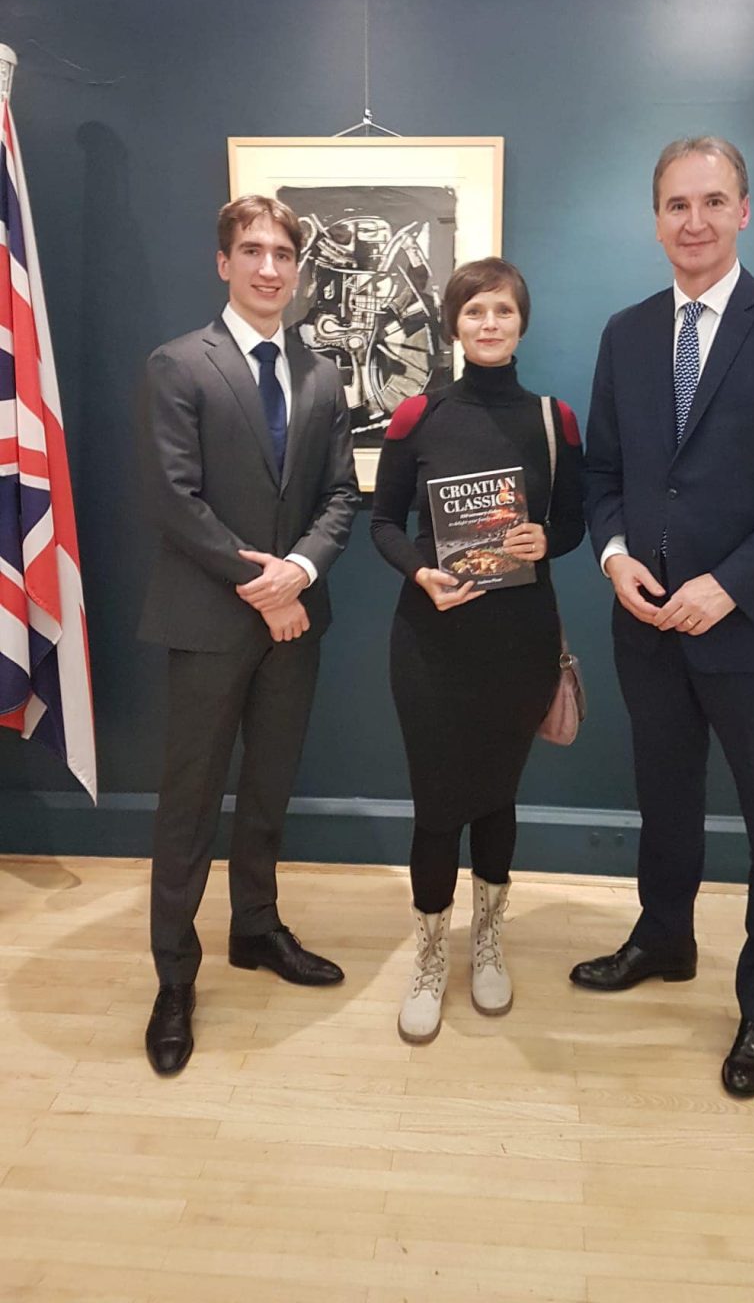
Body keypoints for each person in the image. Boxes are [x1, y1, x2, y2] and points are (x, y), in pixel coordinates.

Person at [572, 137, 754, 1097]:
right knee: (665, 800)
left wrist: (727, 585)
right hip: (647, 625)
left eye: (711, 201)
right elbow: (604, 474)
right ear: (655, 219)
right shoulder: (625, 333)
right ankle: (665, 938)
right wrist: (614, 556)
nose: (692, 221)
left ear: (742, 212)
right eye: (675, 205)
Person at [140, 194, 360, 1075]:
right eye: (253, 251)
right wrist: (263, 590)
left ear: (297, 269)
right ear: (223, 262)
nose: (270, 267)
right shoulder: (177, 364)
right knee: (190, 803)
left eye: (283, 254)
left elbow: (339, 497)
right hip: (209, 621)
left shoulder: (322, 375)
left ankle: (256, 929)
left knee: (269, 788)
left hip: (294, 622)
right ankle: (174, 977)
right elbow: (175, 501)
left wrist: (297, 572)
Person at [371, 257, 584, 1044]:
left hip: (519, 640)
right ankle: (431, 956)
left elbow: (576, 521)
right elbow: (383, 523)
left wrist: (546, 538)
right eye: (473, 312)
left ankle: (488, 941)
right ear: (453, 324)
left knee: (497, 796)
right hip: (431, 639)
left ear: (521, 322)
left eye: (502, 311)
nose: (488, 324)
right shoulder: (417, 415)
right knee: (437, 803)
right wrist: (420, 571)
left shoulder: (555, 419)